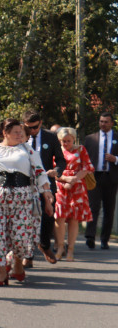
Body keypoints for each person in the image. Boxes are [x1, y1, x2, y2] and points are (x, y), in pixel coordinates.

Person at [0, 118, 53, 286]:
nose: (20, 135)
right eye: (16, 132)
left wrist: (47, 193)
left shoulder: (27, 150)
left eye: (21, 132)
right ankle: (1, 272)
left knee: (20, 237)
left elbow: (40, 172)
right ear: (5, 133)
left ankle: (17, 264)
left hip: (22, 198)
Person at [23, 111, 65, 264]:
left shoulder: (51, 137)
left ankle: (44, 245)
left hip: (46, 184)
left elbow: (61, 160)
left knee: (47, 218)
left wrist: (57, 171)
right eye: (28, 128)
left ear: (40, 123)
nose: (31, 131)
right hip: (25, 184)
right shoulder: (20, 137)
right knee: (26, 219)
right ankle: (27, 255)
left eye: (34, 127)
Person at [54, 127, 93, 262]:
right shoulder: (56, 150)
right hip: (60, 186)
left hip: (77, 187)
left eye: (69, 141)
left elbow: (87, 167)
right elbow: (52, 169)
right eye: (63, 141)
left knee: (74, 218)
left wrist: (73, 180)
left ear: (74, 139)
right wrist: (64, 180)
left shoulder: (80, 149)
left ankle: (71, 249)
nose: (66, 144)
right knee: (59, 217)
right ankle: (60, 247)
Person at [83, 112, 118, 250]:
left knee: (109, 210)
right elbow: (83, 157)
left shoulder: (116, 138)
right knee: (93, 207)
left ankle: (105, 239)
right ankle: (90, 237)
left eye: (106, 121)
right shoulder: (90, 139)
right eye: (101, 121)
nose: (103, 124)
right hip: (94, 177)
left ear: (111, 123)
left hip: (111, 177)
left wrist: (115, 159)